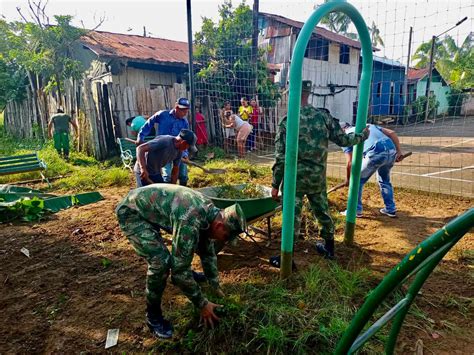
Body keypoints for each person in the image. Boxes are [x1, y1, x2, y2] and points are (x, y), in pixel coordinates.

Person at [116, 184, 246, 338]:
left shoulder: (211, 213)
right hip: (132, 212)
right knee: (161, 262)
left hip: (152, 209)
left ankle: (189, 277)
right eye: (225, 237)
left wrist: (214, 285)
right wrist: (202, 304)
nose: (224, 242)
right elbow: (178, 272)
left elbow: (208, 252)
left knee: (190, 254)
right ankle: (153, 316)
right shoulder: (190, 220)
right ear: (219, 226)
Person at [270, 80, 369, 261]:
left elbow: (280, 157)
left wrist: (275, 184)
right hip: (317, 177)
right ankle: (329, 249)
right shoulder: (323, 116)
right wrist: (362, 136)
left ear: (292, 94)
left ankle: (286, 258)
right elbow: (343, 140)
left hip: (295, 180)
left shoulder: (288, 121)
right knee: (322, 211)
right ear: (309, 94)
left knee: (292, 216)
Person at [340, 122, 403, 218]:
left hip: (376, 151)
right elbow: (391, 133)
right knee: (384, 180)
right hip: (390, 149)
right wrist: (398, 152)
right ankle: (390, 209)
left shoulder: (346, 137)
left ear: (342, 130)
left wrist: (349, 179)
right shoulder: (367, 125)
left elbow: (350, 163)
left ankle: (355, 210)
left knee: (356, 180)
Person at [137, 98, 191, 186]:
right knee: (167, 176)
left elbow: (185, 138)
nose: (185, 113)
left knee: (183, 175)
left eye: (186, 111)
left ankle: (180, 193)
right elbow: (149, 123)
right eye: (182, 110)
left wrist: (184, 154)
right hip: (162, 150)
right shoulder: (162, 115)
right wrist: (141, 137)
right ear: (176, 107)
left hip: (177, 150)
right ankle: (166, 190)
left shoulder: (184, 122)